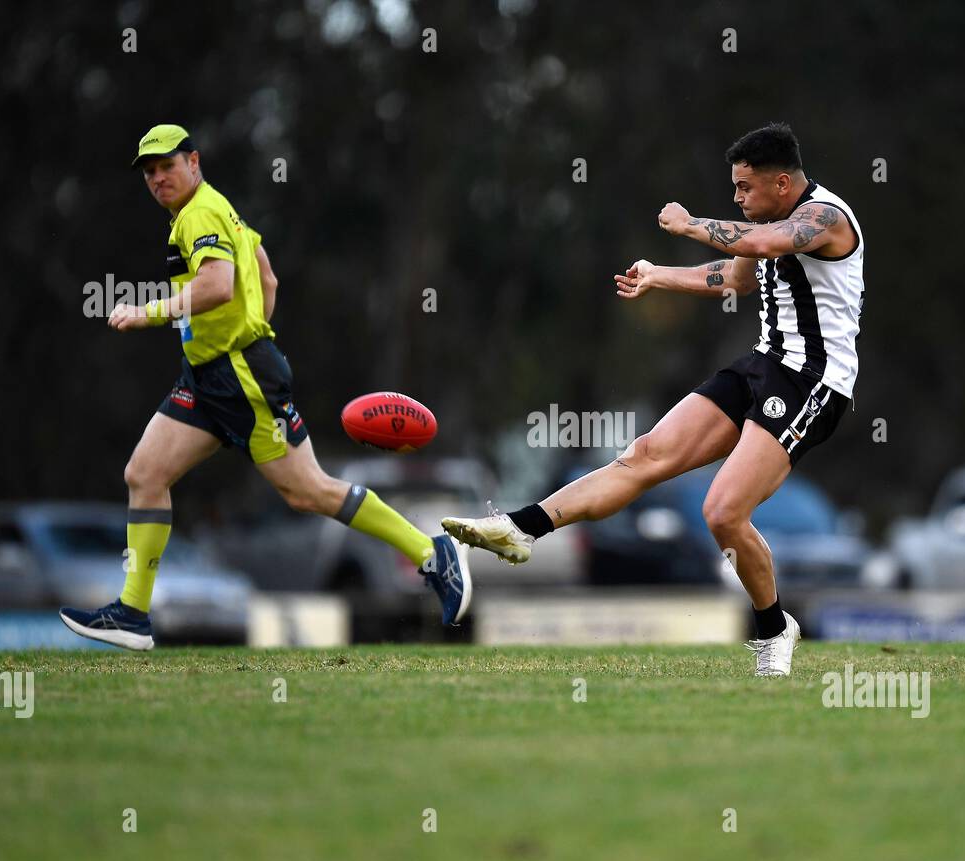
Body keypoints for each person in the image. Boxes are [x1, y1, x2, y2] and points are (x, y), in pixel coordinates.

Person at [444, 122, 864, 676]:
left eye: (745, 188)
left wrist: (690, 225)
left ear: (782, 183)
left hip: (812, 381)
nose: (738, 198)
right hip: (762, 366)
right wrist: (659, 275)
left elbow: (764, 244)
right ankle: (521, 527)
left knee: (721, 512)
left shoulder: (825, 217)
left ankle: (774, 628)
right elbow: (736, 275)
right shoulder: (765, 219)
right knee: (645, 455)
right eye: (735, 188)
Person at [59, 124, 470, 650]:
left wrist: (151, 313)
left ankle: (433, 552)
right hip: (211, 376)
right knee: (144, 472)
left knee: (308, 491)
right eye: (150, 171)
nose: (159, 178)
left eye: (168, 165)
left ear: (194, 162)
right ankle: (133, 614)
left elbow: (216, 285)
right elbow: (266, 276)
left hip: (239, 376)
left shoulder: (199, 213)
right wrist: (253, 331)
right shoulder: (216, 207)